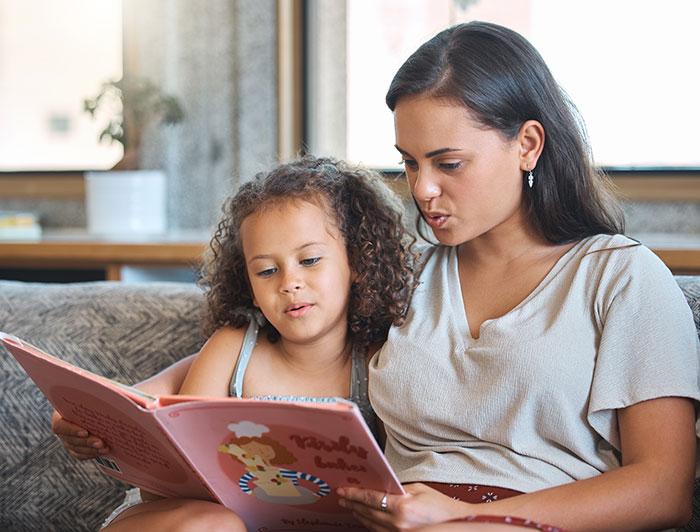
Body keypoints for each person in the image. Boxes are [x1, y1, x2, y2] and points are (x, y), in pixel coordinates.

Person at [334, 21, 700, 531]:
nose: (422, 189)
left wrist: (470, 518)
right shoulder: (401, 273)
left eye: (450, 164)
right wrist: (183, 386)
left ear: (527, 144)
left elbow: (665, 488)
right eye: (410, 164)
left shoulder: (620, 278)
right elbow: (286, 343)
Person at [53, 155, 417, 530]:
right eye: (267, 270)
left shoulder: (378, 360)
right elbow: (179, 473)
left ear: (357, 262)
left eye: (309, 260)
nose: (289, 282)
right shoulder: (233, 347)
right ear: (249, 284)